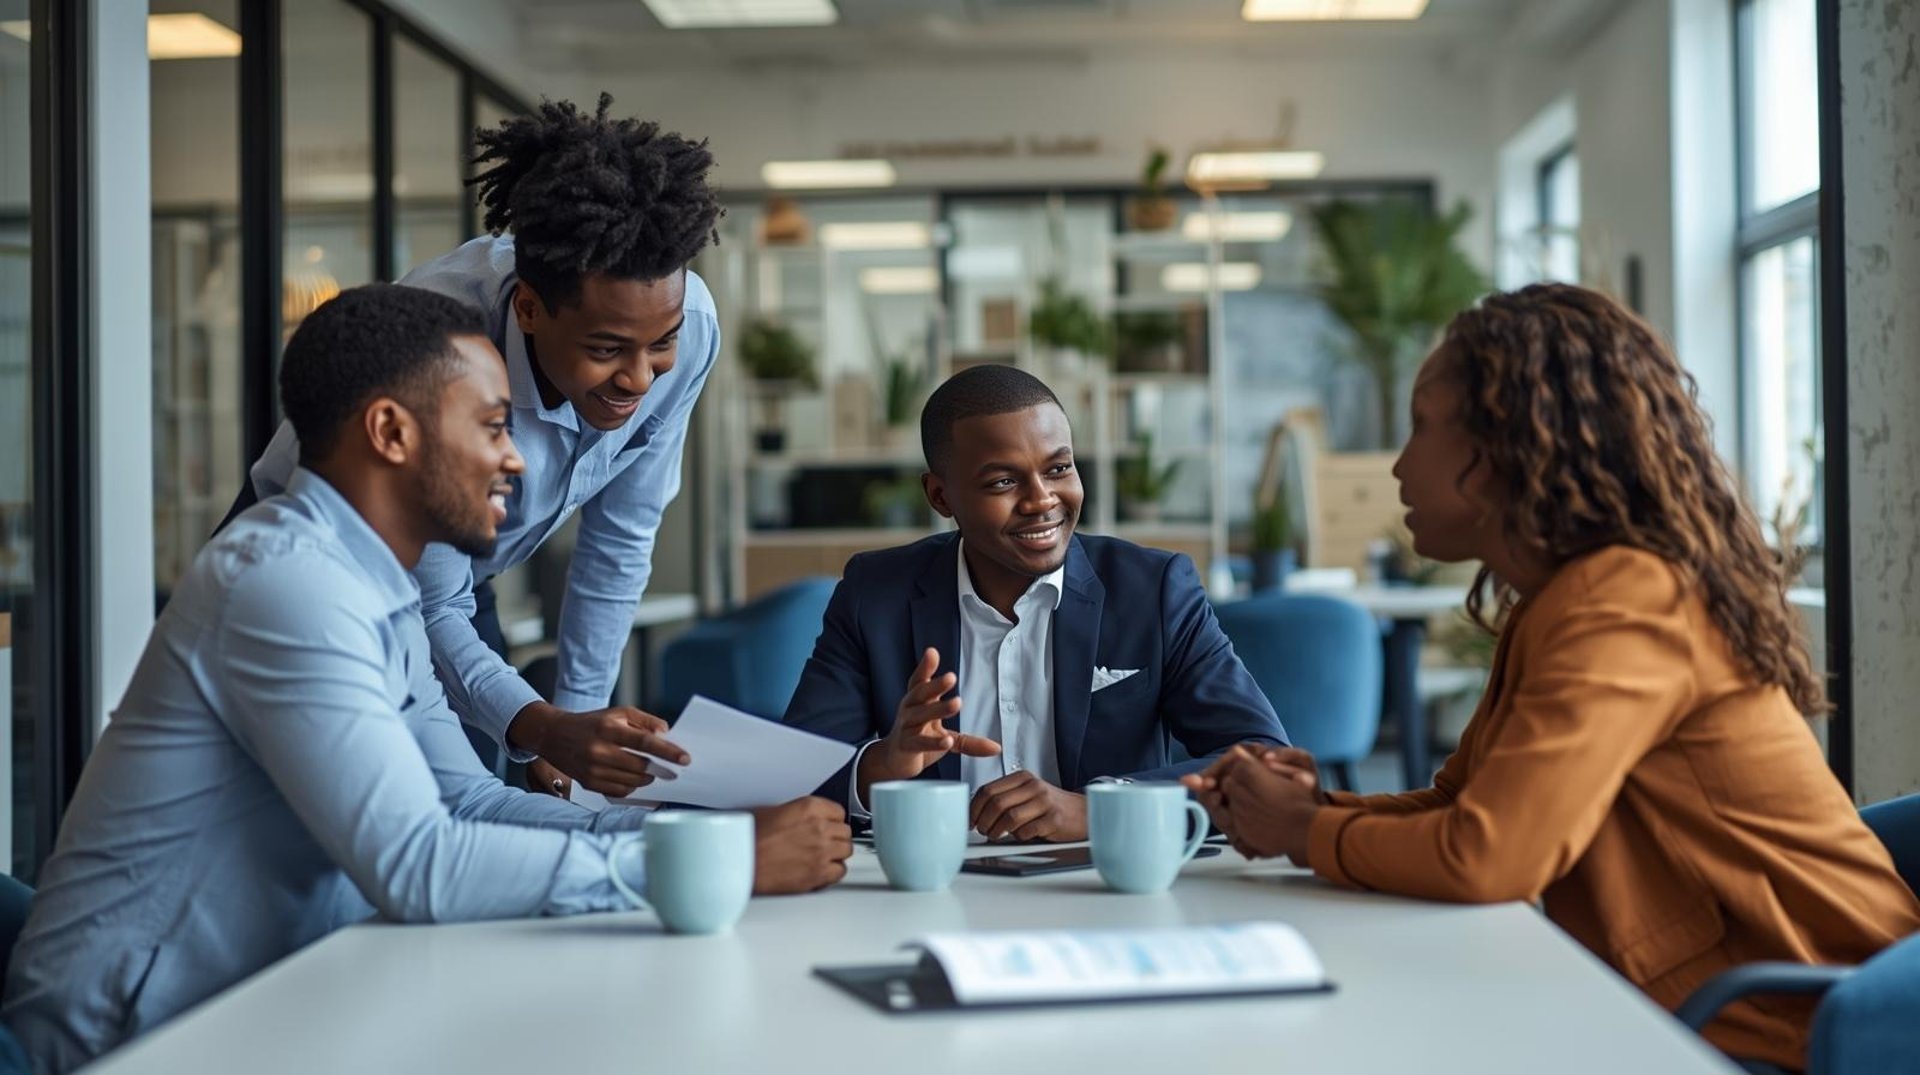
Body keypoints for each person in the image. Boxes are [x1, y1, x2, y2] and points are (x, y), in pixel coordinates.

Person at [2, 286, 850, 1073]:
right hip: (131, 1041)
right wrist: (720, 864)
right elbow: (421, 864)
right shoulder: (285, 583)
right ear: (391, 433)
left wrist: (692, 832)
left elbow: (467, 803)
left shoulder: (380, 589)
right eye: (490, 425)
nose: (517, 461)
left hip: (279, 1006)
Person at [1185, 283, 1920, 1073]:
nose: (1398, 464)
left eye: (1423, 426)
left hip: (1789, 1024)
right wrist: (1312, 807)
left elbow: (1488, 858)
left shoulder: (1625, 598)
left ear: (1506, 448)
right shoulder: (1562, 597)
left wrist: (1302, 831)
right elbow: (1462, 807)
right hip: (1700, 1002)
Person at [232, 94, 722, 800]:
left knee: (474, 785)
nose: (641, 377)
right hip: (321, 558)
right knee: (337, 806)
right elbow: (428, 597)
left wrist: (574, 725)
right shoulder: (440, 350)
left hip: (452, 581)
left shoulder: (689, 324)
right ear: (528, 307)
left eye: (661, 344)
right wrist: (544, 726)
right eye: (607, 349)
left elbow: (621, 538)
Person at [782, 364, 1288, 842]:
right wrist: (884, 765)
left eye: (1059, 468)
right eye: (1003, 481)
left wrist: (1098, 809)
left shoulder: (1154, 589)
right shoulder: (876, 593)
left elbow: (1265, 765)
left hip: (1099, 889)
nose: (1042, 499)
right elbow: (790, 775)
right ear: (940, 496)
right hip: (933, 890)